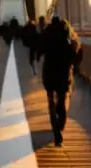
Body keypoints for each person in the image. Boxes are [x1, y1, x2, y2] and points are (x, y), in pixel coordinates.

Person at [37, 15, 83, 147]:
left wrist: (36, 57)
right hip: (64, 73)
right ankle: (61, 122)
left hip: (49, 72)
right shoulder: (69, 35)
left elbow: (39, 49)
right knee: (62, 99)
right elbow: (77, 53)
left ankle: (56, 131)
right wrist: (74, 66)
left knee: (50, 100)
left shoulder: (46, 34)